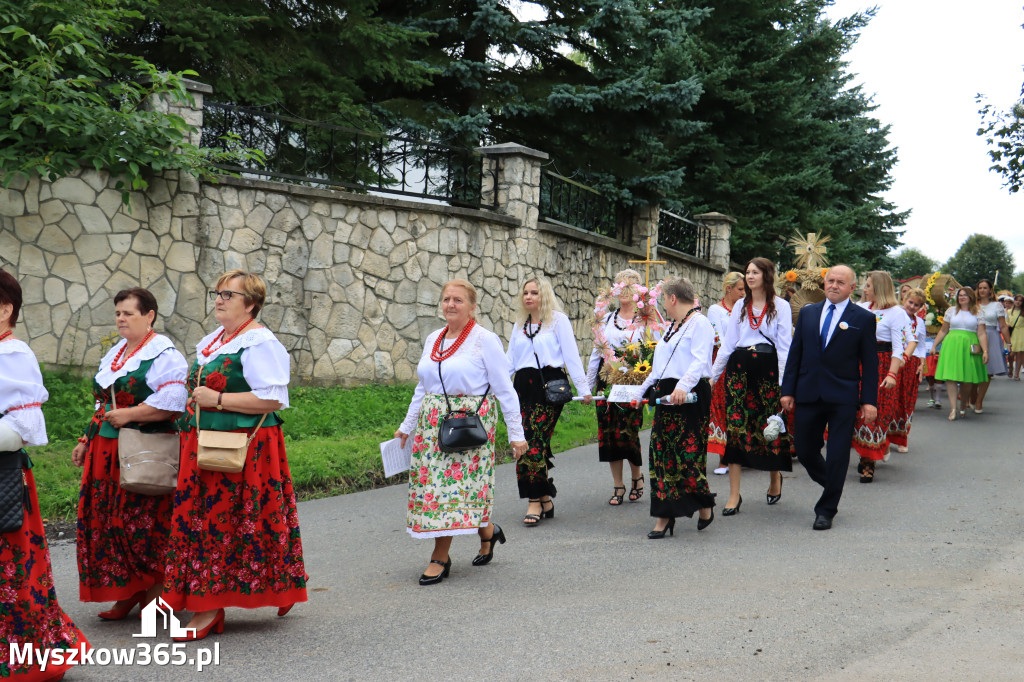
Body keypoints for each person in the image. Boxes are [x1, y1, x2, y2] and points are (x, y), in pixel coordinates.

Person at [164, 270, 307, 639]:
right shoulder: (215, 340)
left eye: (229, 294)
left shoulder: (260, 343)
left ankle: (208, 609)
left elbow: (274, 399)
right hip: (205, 441)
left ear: (251, 303)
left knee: (233, 520)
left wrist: (219, 400)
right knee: (205, 520)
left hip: (245, 446)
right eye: (218, 293)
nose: (220, 299)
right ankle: (273, 585)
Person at [396, 279, 527, 585]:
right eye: (446, 299)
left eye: (458, 300)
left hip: (468, 426)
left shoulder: (485, 340)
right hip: (432, 428)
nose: (451, 305)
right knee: (442, 492)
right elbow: (423, 385)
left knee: (451, 493)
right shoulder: (433, 339)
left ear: (472, 306)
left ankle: (440, 557)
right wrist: (407, 425)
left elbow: (505, 390)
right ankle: (489, 531)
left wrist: (516, 433)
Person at [71, 288, 188, 619]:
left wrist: (131, 413)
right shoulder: (117, 353)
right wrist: (86, 438)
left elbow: (174, 404)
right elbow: (103, 404)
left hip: (142, 448)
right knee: (108, 523)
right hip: (105, 448)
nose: (121, 319)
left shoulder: (163, 354)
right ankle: (128, 591)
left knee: (140, 521)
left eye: (128, 313)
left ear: (149, 315)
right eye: (118, 313)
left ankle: (154, 590)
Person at [0, 270, 89, 680]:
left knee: (10, 568)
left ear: (5, 309)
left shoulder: (12, 355)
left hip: (2, 473)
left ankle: (28, 656)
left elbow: (26, 426)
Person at [782, 265, 878, 530]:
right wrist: (787, 390)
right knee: (804, 450)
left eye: (840, 282)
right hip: (809, 392)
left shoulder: (863, 318)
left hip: (843, 397)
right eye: (830, 281)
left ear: (851, 288)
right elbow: (795, 353)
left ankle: (826, 509)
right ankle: (834, 483)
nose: (834, 285)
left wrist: (869, 400)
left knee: (837, 454)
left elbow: (870, 364)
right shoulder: (808, 313)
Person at [710, 257, 793, 515]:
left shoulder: (780, 306)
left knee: (768, 426)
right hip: (739, 370)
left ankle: (774, 479)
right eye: (747, 272)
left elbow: (784, 347)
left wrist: (783, 385)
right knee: (735, 429)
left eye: (755, 272)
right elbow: (728, 343)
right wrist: (713, 376)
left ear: (766, 275)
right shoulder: (740, 307)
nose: (749, 276)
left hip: (768, 370)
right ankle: (734, 495)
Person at [506, 276, 590, 525]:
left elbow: (571, 355)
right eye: (525, 293)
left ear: (544, 295)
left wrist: (583, 387)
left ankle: (534, 501)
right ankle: (544, 498)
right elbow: (509, 360)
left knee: (532, 441)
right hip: (522, 387)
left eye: (534, 292)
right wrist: (488, 385)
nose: (529, 297)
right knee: (523, 443)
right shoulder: (520, 324)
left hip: (549, 388)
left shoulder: (557, 320)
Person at [637, 277, 715, 538]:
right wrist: (639, 393)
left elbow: (699, 360)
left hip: (690, 395)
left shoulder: (700, 323)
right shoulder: (672, 327)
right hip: (667, 395)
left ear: (672, 298)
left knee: (688, 457)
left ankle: (703, 502)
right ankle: (664, 516)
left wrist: (683, 387)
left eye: (664, 300)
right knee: (660, 455)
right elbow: (659, 369)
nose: (664, 306)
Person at [586, 269, 659, 506]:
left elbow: (656, 349)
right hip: (607, 380)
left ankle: (636, 476)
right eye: (620, 284)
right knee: (608, 435)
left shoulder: (646, 317)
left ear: (639, 291)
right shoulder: (607, 319)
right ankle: (618, 484)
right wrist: (588, 386)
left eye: (630, 284)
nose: (625, 288)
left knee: (627, 432)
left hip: (633, 380)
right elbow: (596, 353)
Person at [851, 271, 911, 483]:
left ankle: (868, 460)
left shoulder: (896, 312)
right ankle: (864, 453)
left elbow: (898, 347)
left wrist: (892, 373)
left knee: (874, 411)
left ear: (879, 288)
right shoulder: (859, 308)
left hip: (881, 362)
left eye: (867, 286)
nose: (864, 289)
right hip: (856, 362)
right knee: (854, 410)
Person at [930, 287, 989, 421]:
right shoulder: (951, 311)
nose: (961, 297)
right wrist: (934, 345)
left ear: (970, 297)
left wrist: (985, 350)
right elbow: (944, 330)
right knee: (951, 377)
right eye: (959, 295)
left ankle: (963, 404)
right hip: (952, 344)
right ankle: (952, 408)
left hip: (969, 344)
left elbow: (981, 333)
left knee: (967, 379)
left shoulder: (978, 312)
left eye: (965, 295)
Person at [706, 272, 744, 475]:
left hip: (743, 364)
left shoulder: (744, 308)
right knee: (723, 408)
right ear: (729, 289)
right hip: (723, 364)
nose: (743, 293)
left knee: (740, 408)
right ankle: (724, 457)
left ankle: (740, 454)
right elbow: (719, 338)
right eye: (740, 289)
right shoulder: (716, 310)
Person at [888, 288, 927, 453]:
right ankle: (885, 436)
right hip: (896, 360)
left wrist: (921, 364)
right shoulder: (895, 315)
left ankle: (902, 437)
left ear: (921, 307)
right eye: (910, 302)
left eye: (916, 305)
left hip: (912, 363)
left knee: (907, 400)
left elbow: (922, 344)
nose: (912, 306)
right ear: (904, 299)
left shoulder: (921, 322)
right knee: (891, 398)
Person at [967, 279, 1009, 412]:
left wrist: (1009, 342)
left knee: (987, 372)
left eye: (985, 288)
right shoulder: (973, 304)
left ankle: (979, 401)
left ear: (991, 290)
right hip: (974, 336)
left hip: (991, 336)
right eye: (980, 288)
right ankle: (972, 397)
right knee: (973, 370)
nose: (982, 290)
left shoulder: (997, 306)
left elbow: (1002, 325)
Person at [1009, 294, 1024, 380]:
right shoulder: (1008, 311)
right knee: (1010, 354)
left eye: (1020, 300)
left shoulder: (1023, 313)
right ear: (1014, 301)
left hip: (1021, 334)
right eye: (1016, 300)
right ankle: (1011, 366)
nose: (1018, 302)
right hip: (1011, 334)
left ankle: (1016, 374)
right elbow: (1005, 323)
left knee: (1020, 355)